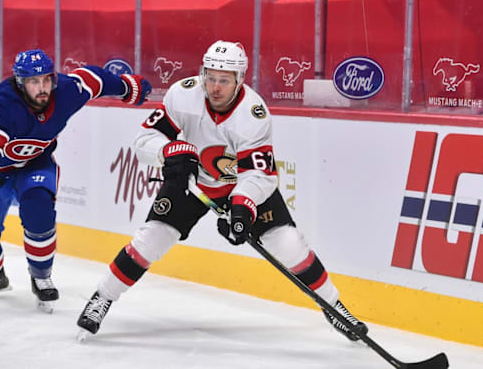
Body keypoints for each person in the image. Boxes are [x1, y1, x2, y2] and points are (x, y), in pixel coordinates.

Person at [76, 40, 368, 340]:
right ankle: (102, 297)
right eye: (211, 77)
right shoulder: (183, 94)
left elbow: (259, 173)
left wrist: (242, 206)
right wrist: (169, 151)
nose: (215, 87)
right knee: (151, 239)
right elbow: (144, 140)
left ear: (240, 80)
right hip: (192, 182)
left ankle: (335, 308)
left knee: (289, 243)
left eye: (224, 81)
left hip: (240, 186)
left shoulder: (253, 115)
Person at [0, 49, 151, 313]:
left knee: (39, 210)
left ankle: (40, 275)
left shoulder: (67, 91)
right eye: (34, 82)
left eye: (47, 80)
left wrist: (127, 87)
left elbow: (95, 79)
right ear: (19, 82)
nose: (42, 88)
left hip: (36, 164)